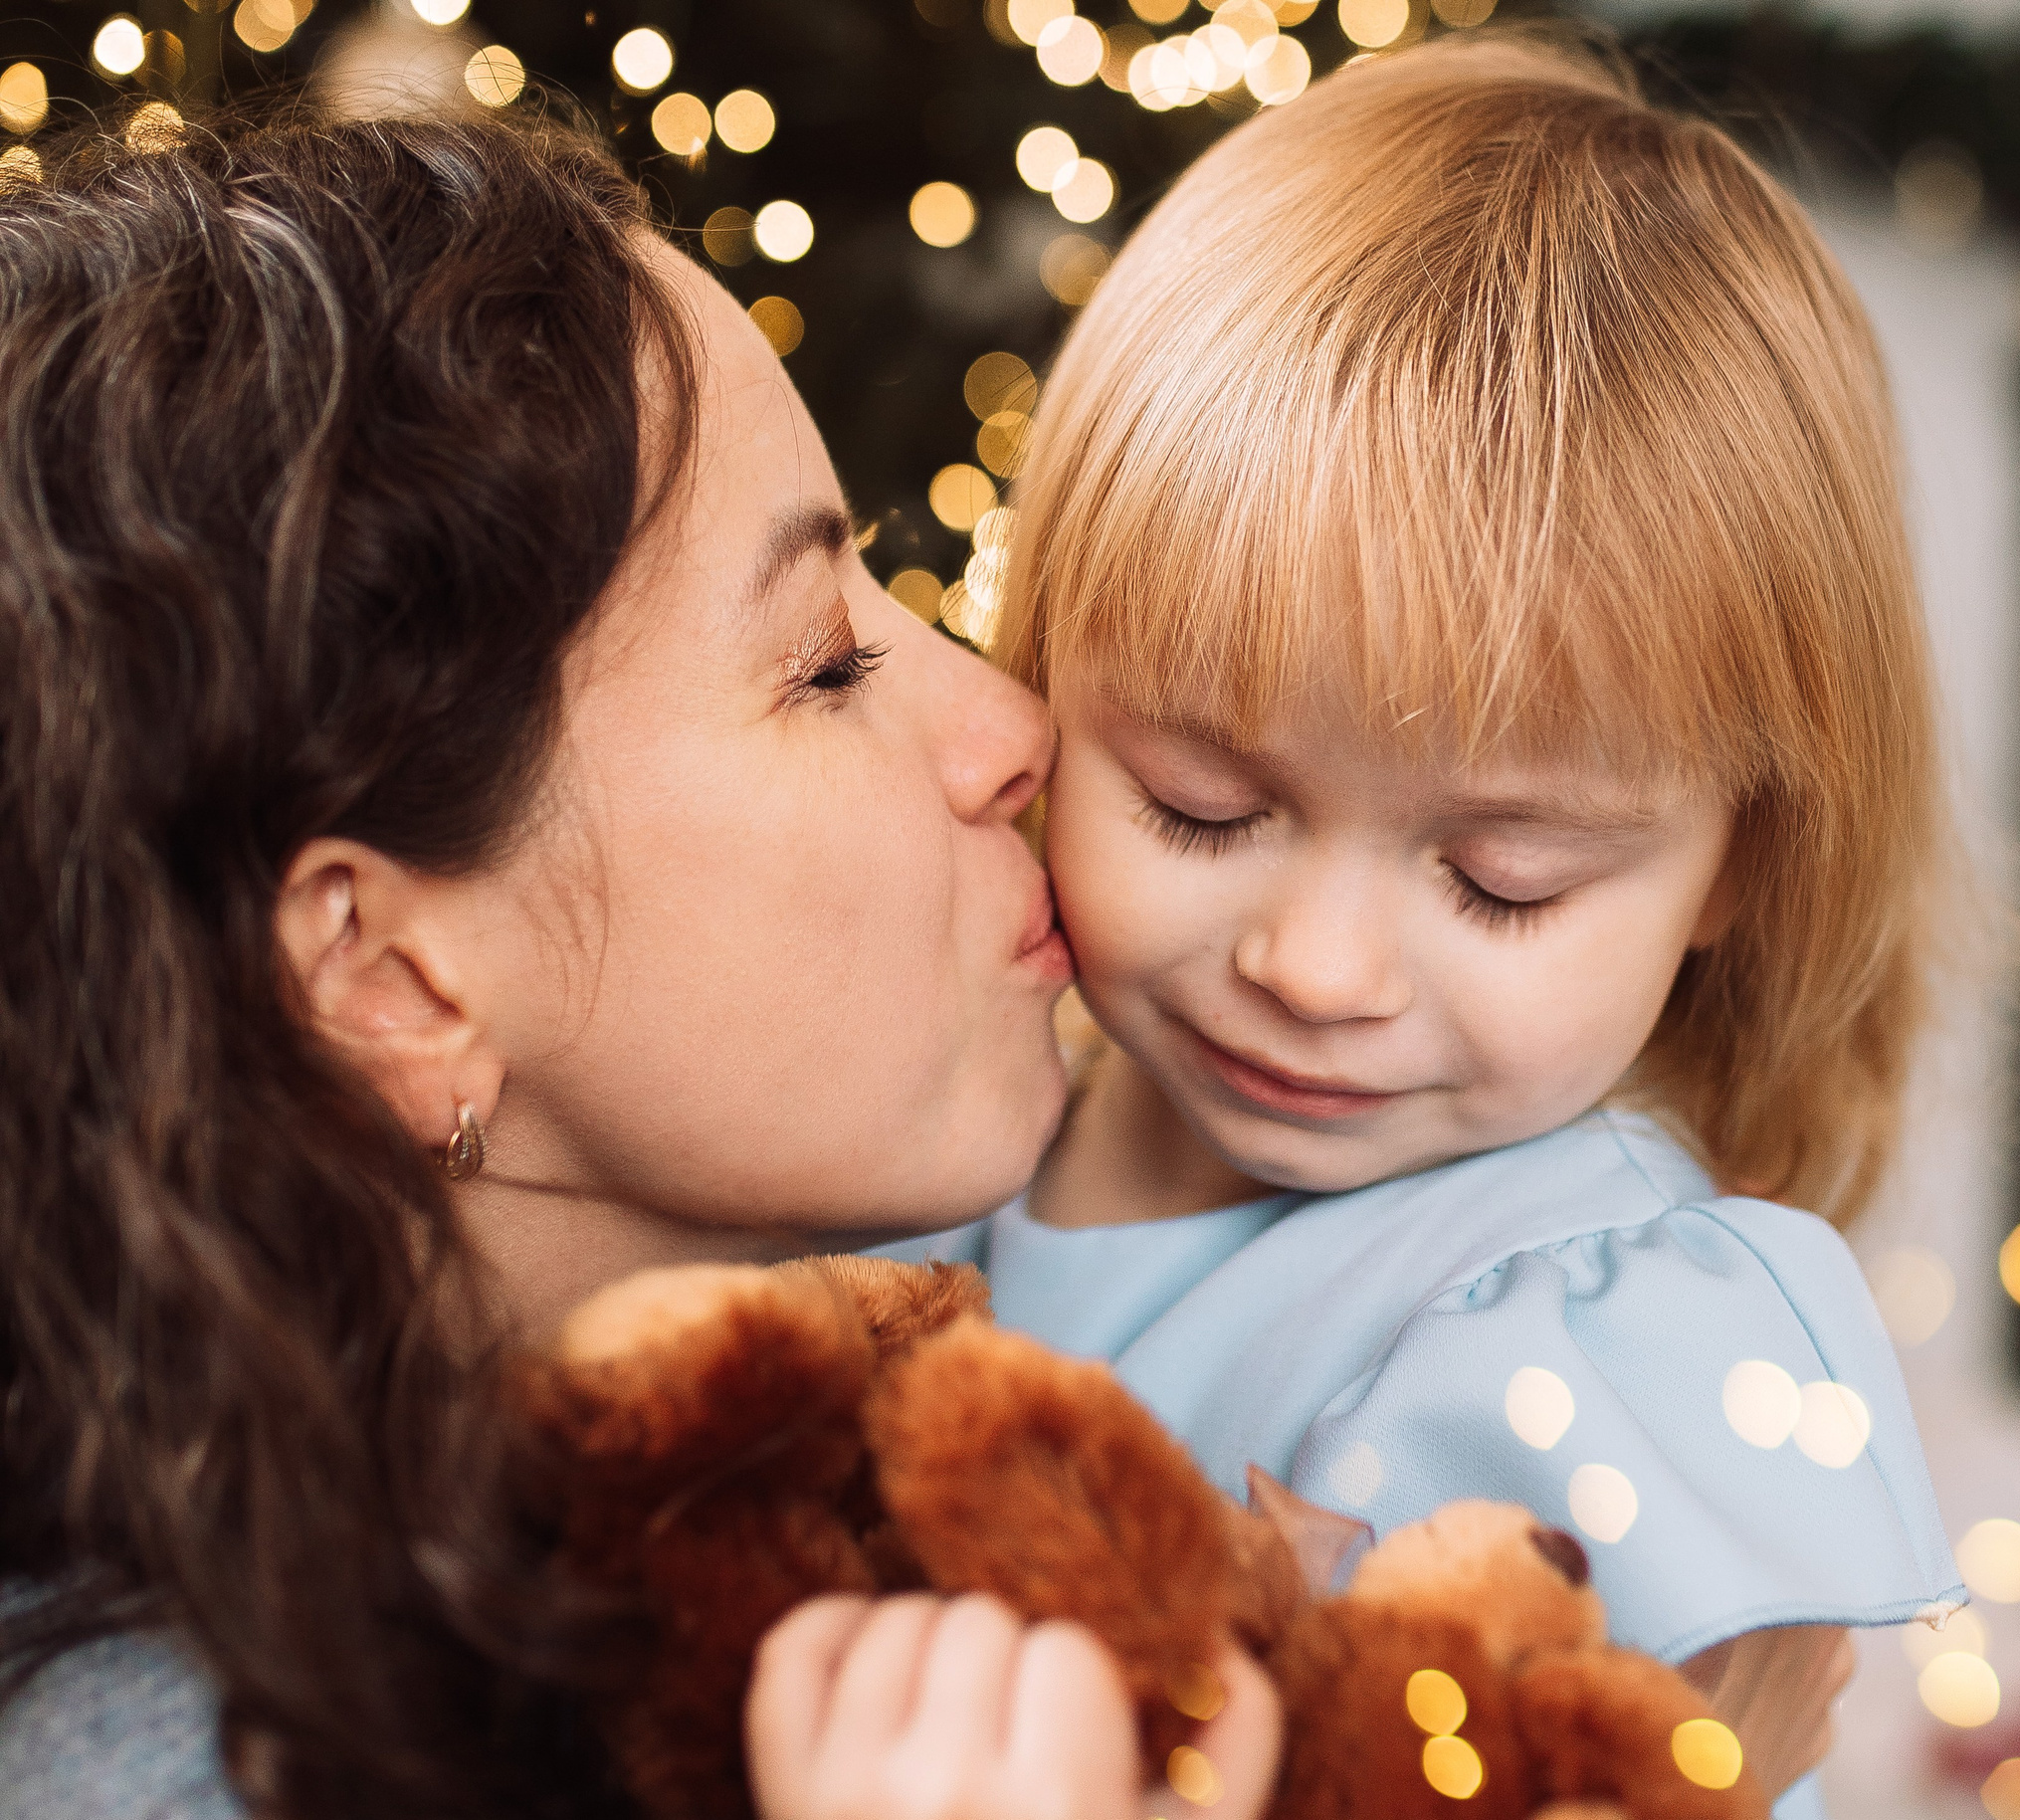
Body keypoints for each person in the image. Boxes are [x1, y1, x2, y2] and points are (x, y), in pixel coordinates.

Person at [0, 101, 1280, 1820]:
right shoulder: (164, 1771)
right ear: (392, 978)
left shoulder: (823, 1440)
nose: (1012, 724)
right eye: (826, 665)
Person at [887, 35, 1967, 1815]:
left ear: (1743, 869)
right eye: (1202, 806)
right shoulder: (938, 1115)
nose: (1312, 969)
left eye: (1500, 880)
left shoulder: (1597, 1346)